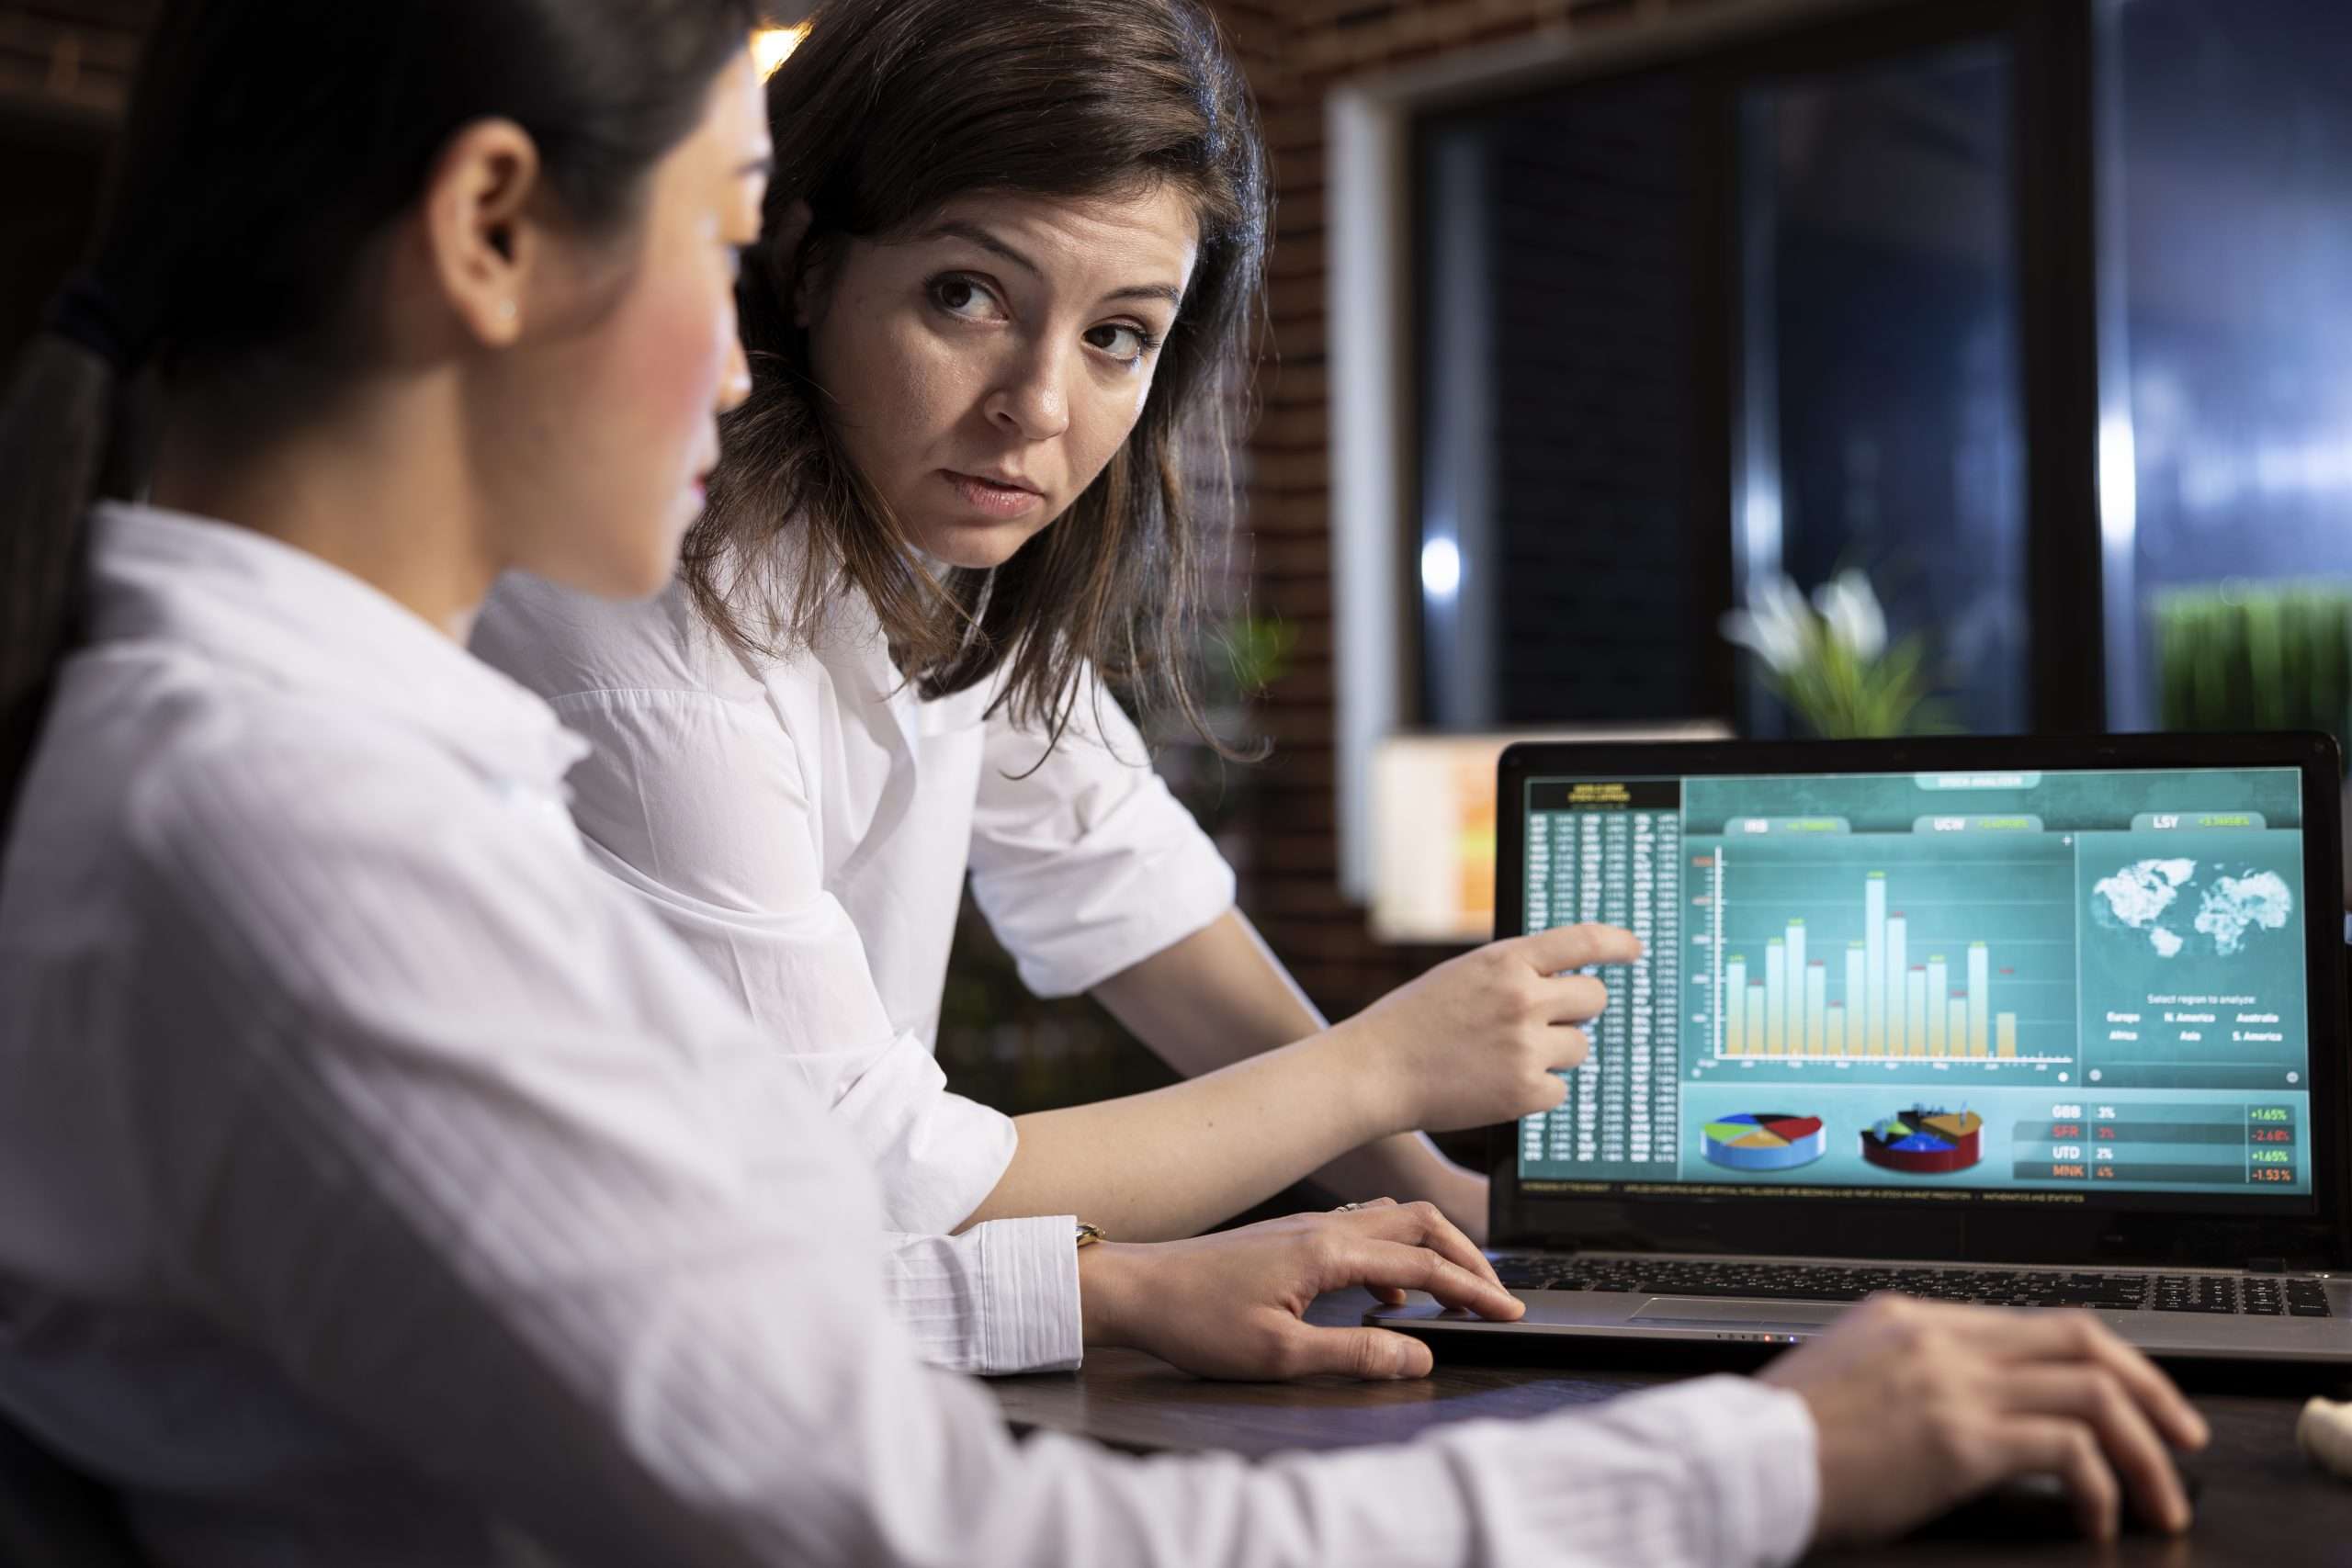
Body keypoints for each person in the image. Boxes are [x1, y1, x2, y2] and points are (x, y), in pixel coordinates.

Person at [0, 1, 2205, 1563]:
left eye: (1121, 337)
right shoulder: (304, 837)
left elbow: (687, 1277)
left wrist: (1122, 1275)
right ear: (493, 232)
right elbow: (936, 1521)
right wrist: (1771, 1465)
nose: (743, 340)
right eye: (724, 240)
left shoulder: (340, 772)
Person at [470, 0, 1561, 1380]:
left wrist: (1437, 1195)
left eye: (1118, 335)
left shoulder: (934, 548)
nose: (1038, 408)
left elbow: (1129, 882)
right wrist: (1383, 1067)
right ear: (804, 261)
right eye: (966, 294)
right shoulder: (650, 607)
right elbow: (864, 1178)